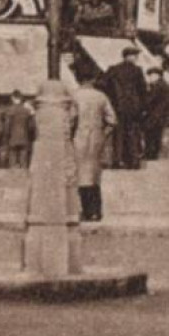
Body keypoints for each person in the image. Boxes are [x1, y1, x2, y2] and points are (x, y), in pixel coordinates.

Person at [72, 68, 118, 222]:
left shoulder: (75, 96)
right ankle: (96, 211)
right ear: (92, 80)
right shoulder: (101, 96)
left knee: (80, 175)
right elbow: (112, 120)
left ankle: (85, 210)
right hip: (96, 139)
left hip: (78, 138)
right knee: (94, 176)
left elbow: (71, 119)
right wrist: (103, 134)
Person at [102, 46, 148, 170]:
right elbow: (142, 90)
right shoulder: (137, 70)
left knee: (118, 133)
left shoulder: (113, 69)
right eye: (135, 56)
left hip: (117, 106)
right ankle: (133, 161)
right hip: (133, 108)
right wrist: (143, 107)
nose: (136, 58)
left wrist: (111, 99)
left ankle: (117, 160)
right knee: (132, 133)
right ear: (129, 56)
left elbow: (103, 84)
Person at [141, 68, 169, 162]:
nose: (149, 78)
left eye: (150, 76)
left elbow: (149, 100)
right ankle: (154, 153)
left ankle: (150, 154)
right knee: (156, 134)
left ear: (156, 75)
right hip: (163, 115)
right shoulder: (165, 85)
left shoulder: (158, 86)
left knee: (151, 133)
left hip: (158, 115)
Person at [4, 92, 35, 169]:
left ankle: (13, 176)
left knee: (13, 158)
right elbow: (32, 126)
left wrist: (6, 136)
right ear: (21, 99)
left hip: (12, 137)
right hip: (24, 137)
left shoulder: (10, 110)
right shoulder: (27, 111)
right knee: (23, 159)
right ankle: (23, 176)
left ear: (13, 98)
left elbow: (7, 126)